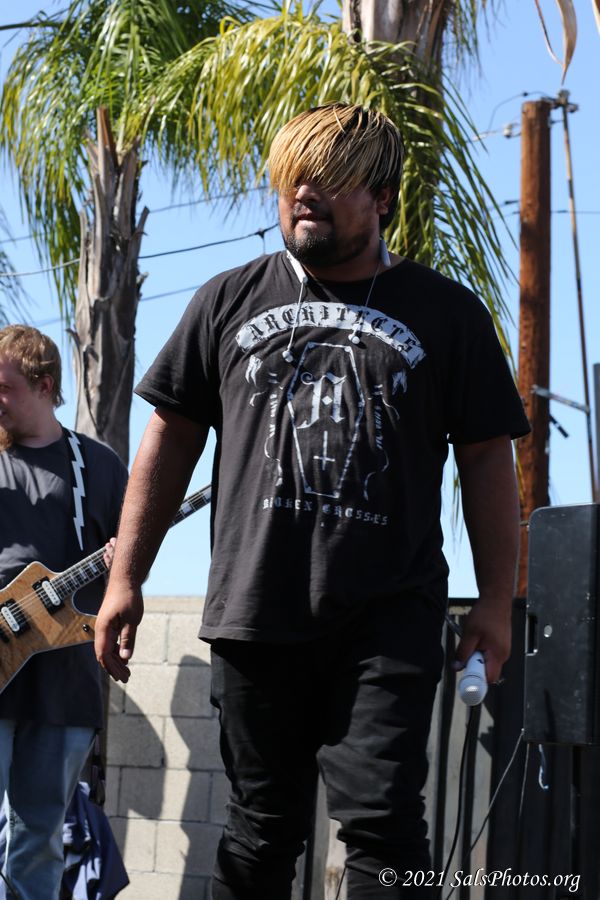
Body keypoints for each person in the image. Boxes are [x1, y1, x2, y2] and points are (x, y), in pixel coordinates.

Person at [95, 103, 530, 899]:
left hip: (388, 616)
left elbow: (486, 461)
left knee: (385, 826)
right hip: (256, 612)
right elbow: (169, 439)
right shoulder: (229, 299)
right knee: (259, 829)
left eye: (330, 180)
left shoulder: (447, 314)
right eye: (293, 178)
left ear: (383, 198)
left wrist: (496, 602)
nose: (304, 192)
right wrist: (127, 576)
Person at [0, 325, 128, 900]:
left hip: (63, 680)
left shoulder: (97, 466)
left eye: (3, 387)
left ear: (44, 385)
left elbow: (131, 564)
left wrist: (127, 565)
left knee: (40, 836)